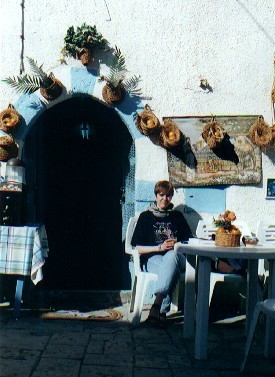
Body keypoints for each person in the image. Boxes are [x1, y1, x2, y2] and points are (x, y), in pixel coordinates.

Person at [131, 180, 192, 327]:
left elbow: (189, 240)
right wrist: (159, 248)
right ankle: (162, 312)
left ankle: (156, 305)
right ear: (156, 195)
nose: (165, 199)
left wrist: (176, 243)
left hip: (177, 256)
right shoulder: (146, 217)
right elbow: (137, 247)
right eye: (162, 195)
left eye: (169, 195)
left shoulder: (177, 216)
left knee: (171, 257)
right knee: (171, 270)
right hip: (153, 258)